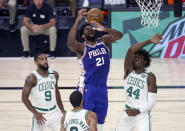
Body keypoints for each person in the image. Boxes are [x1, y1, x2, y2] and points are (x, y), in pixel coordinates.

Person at [67, 9, 123, 131]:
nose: (90, 29)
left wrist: (104, 29)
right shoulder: (82, 48)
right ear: (83, 35)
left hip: (102, 88)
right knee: (86, 123)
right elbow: (70, 43)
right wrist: (77, 20)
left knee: (100, 123)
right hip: (87, 87)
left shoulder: (103, 41)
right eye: (87, 29)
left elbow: (119, 35)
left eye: (91, 28)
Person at [115, 34, 162, 131]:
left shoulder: (150, 77)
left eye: (139, 57)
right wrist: (149, 41)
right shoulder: (128, 71)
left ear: (145, 62)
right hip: (128, 112)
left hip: (142, 114)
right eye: (135, 57)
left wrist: (138, 111)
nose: (135, 58)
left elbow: (152, 102)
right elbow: (131, 50)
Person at [22, 53, 66, 131]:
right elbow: (24, 98)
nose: (45, 61)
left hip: (54, 112)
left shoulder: (54, 74)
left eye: (46, 59)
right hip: (39, 114)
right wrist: (35, 113)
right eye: (41, 59)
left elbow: (57, 93)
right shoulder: (32, 78)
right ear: (35, 62)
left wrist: (62, 109)